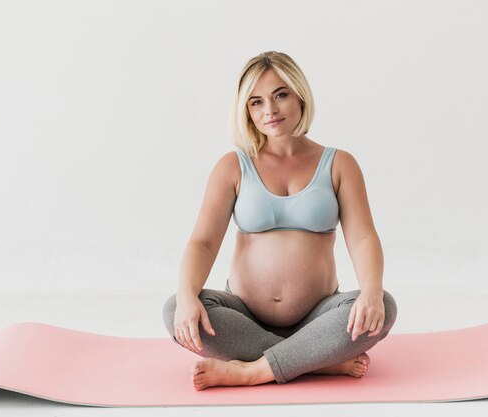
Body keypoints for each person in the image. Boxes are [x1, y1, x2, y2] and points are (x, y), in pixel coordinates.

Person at [163, 51, 397, 391]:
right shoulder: (233, 166)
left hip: (318, 315)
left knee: (384, 306)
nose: (269, 110)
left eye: (280, 95)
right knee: (175, 309)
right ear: (246, 111)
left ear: (300, 95)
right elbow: (203, 241)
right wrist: (187, 297)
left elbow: (363, 239)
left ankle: (252, 371)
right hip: (244, 314)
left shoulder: (339, 164)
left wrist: (372, 292)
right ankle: (315, 362)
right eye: (256, 102)